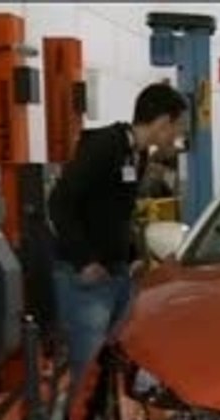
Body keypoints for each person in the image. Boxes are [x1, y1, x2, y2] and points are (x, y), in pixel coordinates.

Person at [49, 82, 188, 389]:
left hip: (117, 275)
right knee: (89, 374)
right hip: (86, 280)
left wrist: (134, 257)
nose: (178, 136)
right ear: (162, 122)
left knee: (114, 369)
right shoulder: (105, 146)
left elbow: (119, 213)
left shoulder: (136, 155)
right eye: (177, 127)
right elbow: (59, 202)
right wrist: (84, 261)